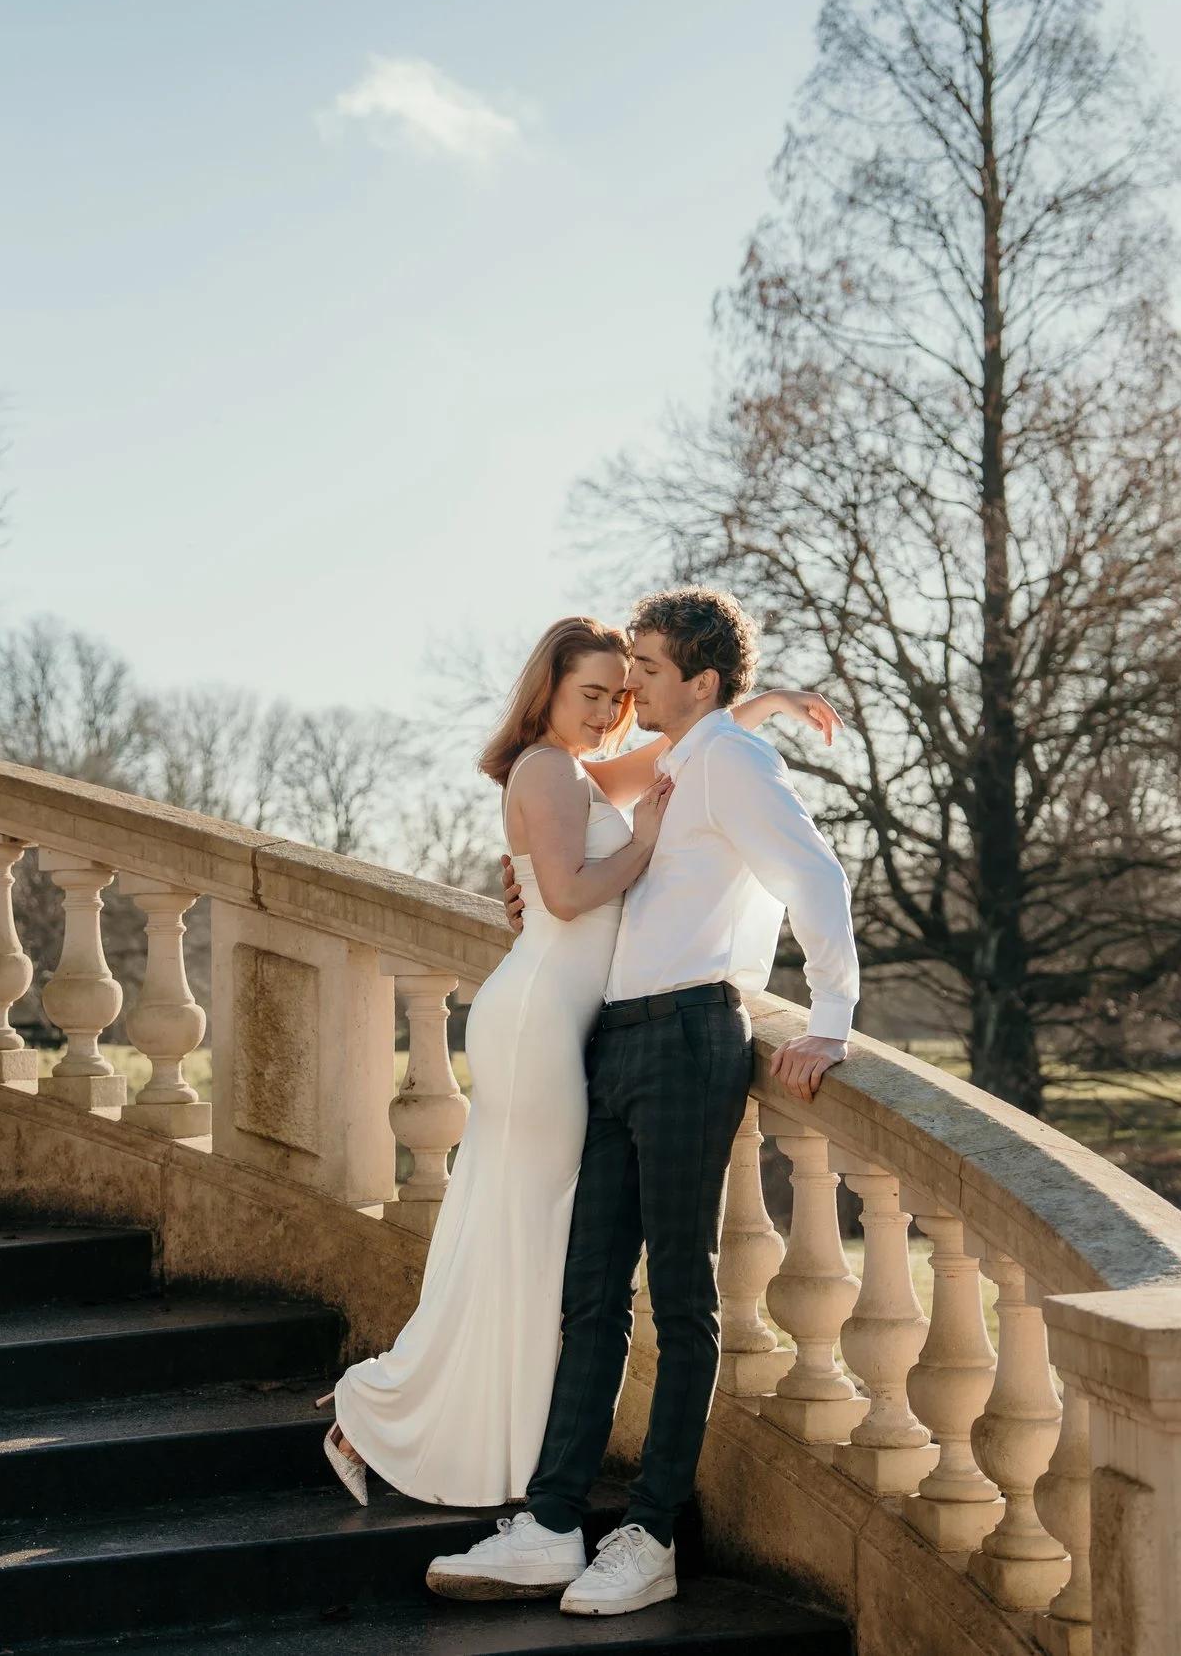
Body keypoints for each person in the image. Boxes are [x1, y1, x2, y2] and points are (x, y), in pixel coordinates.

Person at [317, 611, 838, 1533]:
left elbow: (685, 746)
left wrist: (765, 704)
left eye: (622, 693)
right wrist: (640, 846)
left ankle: (483, 1441)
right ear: (546, 692)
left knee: (530, 1237)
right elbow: (563, 892)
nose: (608, 711)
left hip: (568, 1020)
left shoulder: (589, 767)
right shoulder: (547, 767)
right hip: (543, 1023)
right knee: (527, 1235)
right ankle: (381, 1412)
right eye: (590, 693)